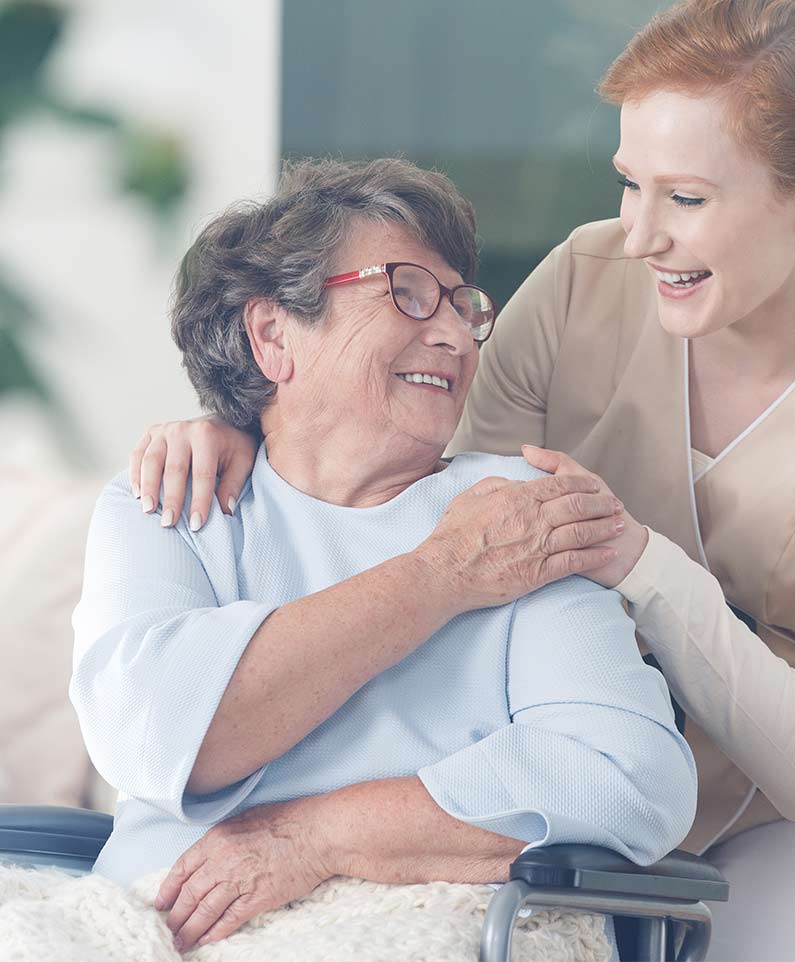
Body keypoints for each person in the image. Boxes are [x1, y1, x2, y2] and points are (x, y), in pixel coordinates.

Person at [128, 0, 795, 958]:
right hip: (583, 744)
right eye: (631, 184)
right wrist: (253, 420)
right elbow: (440, 496)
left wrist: (636, 559)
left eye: (689, 199)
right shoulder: (589, 277)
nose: (639, 235)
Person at [70, 157, 697, 953]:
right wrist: (445, 576)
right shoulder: (173, 499)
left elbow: (629, 775)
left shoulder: (514, 515)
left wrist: (316, 837)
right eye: (406, 292)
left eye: (463, 305)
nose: (452, 334)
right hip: (159, 928)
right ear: (273, 335)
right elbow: (157, 734)